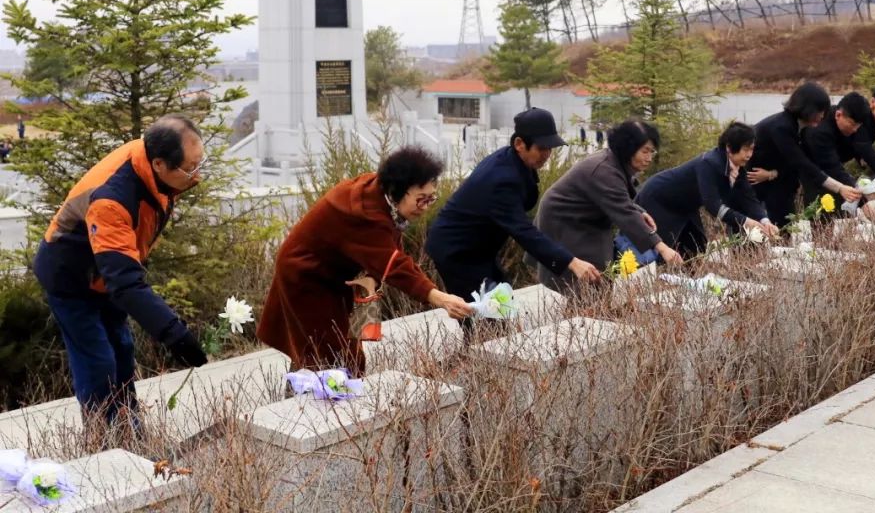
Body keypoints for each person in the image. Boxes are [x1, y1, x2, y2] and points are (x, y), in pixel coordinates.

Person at [34, 115, 209, 432]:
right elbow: (125, 283)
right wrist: (176, 335)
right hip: (71, 277)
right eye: (190, 168)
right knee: (98, 361)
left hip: (107, 273)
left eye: (200, 163)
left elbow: (124, 265)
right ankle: (102, 441)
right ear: (159, 164)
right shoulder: (113, 199)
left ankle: (129, 428)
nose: (197, 175)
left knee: (123, 349)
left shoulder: (149, 162)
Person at [258, 147, 472, 372]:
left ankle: (305, 390)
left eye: (431, 199)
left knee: (321, 348)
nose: (426, 207)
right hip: (307, 275)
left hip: (330, 275)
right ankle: (312, 401)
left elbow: (387, 249)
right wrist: (439, 298)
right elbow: (393, 263)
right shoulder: (364, 212)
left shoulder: (381, 194)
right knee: (334, 355)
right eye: (421, 200)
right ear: (397, 190)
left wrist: (371, 274)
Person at [425, 108, 600, 306]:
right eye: (541, 148)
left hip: (480, 250)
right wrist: (572, 262)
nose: (547, 154)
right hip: (457, 251)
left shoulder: (514, 162)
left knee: (503, 304)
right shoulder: (501, 180)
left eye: (550, 148)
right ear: (519, 144)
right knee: (484, 316)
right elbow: (523, 231)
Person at [535, 120, 682, 296]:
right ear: (627, 148)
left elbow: (619, 200)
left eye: (652, 151)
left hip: (585, 219)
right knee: (584, 275)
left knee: (600, 270)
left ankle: (592, 308)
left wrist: (639, 211)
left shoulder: (614, 162)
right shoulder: (604, 169)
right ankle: (583, 314)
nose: (649, 158)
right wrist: (662, 248)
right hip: (566, 221)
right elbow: (624, 211)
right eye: (645, 151)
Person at [637, 122, 780, 256]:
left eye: (752, 149)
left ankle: (685, 281)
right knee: (657, 250)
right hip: (660, 198)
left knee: (696, 248)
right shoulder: (709, 163)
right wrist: (746, 222)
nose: (749, 155)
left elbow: (749, 198)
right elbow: (713, 205)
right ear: (729, 148)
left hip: (685, 205)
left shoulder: (738, 166)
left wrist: (764, 221)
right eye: (745, 150)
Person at [747, 82, 861, 225]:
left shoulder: (801, 127)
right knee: (759, 229)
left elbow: (807, 162)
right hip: (757, 184)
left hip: (779, 181)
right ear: (809, 109)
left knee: (785, 227)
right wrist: (840, 188)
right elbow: (802, 164)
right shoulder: (782, 127)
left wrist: (773, 174)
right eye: (820, 111)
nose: (823, 116)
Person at [801, 92, 875, 215]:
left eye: (858, 126)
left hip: (818, 166)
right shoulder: (820, 131)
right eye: (852, 124)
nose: (855, 129)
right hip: (791, 166)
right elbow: (833, 168)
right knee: (820, 206)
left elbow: (859, 142)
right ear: (838, 115)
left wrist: (860, 156)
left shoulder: (844, 118)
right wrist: (863, 203)